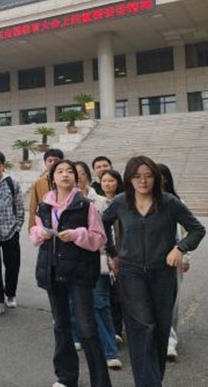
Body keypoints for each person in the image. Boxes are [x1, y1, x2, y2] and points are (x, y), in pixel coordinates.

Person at [103, 156, 205, 387]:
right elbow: (101, 225)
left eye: (148, 176)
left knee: (159, 330)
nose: (143, 181)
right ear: (129, 179)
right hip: (131, 273)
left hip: (163, 274)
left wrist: (180, 248)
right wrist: (113, 253)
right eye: (137, 176)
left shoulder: (169, 202)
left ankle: (152, 380)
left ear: (156, 178)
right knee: (142, 327)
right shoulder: (121, 202)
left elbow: (197, 230)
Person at [30, 159, 112, 387]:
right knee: (61, 326)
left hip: (79, 273)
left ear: (76, 178)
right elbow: (34, 232)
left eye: (69, 171)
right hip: (52, 270)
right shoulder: (44, 206)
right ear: (52, 178)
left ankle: (101, 382)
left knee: (86, 328)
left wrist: (77, 235)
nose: (65, 174)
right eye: (60, 171)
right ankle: (66, 378)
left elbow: (99, 238)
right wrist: (40, 233)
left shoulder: (85, 205)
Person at [74, 161, 121, 370]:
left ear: (87, 175)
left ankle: (110, 350)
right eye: (73, 173)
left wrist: (112, 256)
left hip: (97, 258)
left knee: (101, 304)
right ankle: (76, 336)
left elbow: (108, 233)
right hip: (71, 261)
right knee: (74, 302)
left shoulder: (102, 202)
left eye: (81, 173)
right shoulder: (61, 202)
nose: (77, 177)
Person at [156, 163, 190, 362]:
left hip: (173, 257)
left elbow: (187, 231)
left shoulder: (176, 202)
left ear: (165, 178)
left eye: (157, 175)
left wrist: (185, 255)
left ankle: (170, 340)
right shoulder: (141, 201)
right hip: (148, 259)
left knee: (171, 300)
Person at [0, 151, 24, 315]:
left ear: (3, 166)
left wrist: (18, 227)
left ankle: (11, 293)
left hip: (11, 230)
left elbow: (19, 206)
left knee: (13, 265)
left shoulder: (12, 183)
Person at [99, 170, 125, 345]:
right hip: (105, 253)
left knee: (119, 294)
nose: (107, 184)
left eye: (111, 180)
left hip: (123, 253)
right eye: (104, 181)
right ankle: (112, 330)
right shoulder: (98, 203)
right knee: (106, 294)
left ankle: (118, 328)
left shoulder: (124, 202)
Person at [28, 149, 64, 231]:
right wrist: (31, 228)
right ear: (45, 163)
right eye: (49, 161)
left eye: (56, 160)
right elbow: (33, 206)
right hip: (45, 222)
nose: (52, 163)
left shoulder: (67, 180)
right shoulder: (38, 183)